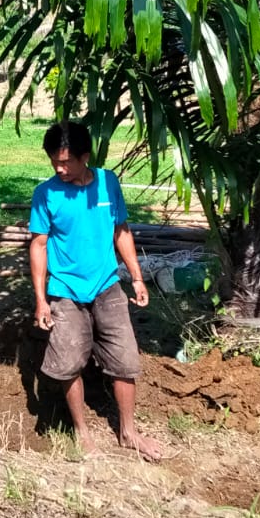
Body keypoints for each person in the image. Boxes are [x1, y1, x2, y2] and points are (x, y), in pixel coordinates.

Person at [28, 121, 163, 460]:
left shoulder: (107, 183)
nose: (59, 169)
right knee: (69, 360)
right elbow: (39, 245)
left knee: (125, 359)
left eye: (65, 162)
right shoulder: (46, 194)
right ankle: (82, 432)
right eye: (54, 162)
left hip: (107, 284)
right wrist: (41, 300)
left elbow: (121, 230)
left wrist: (137, 277)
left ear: (84, 156)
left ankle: (128, 432)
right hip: (65, 290)